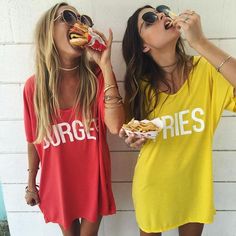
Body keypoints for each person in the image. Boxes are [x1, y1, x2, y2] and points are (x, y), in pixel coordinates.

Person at [119, 4, 236, 236]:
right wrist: (132, 137)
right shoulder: (140, 86)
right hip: (152, 186)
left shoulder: (206, 71)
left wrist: (200, 42)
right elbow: (130, 130)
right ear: (143, 45)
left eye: (162, 10)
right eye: (150, 19)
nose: (161, 15)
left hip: (195, 187)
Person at [23, 2, 124, 236]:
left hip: (93, 181)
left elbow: (116, 124)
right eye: (68, 16)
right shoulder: (33, 88)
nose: (78, 23)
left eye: (84, 20)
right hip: (58, 184)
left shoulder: (97, 76)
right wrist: (31, 183)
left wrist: (106, 66)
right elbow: (32, 140)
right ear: (48, 30)